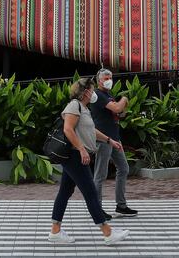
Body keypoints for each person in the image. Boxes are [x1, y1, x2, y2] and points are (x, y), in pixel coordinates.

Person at [49, 77, 130, 245]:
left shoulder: (84, 108)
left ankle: (55, 231)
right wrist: (81, 149)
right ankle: (107, 233)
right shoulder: (74, 105)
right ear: (85, 91)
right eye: (92, 90)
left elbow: (91, 130)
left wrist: (109, 141)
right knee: (91, 193)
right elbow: (68, 129)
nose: (94, 93)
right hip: (74, 156)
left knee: (65, 192)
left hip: (76, 155)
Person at [90, 68, 138, 219]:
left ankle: (121, 206)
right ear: (99, 81)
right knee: (100, 175)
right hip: (103, 139)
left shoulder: (107, 95)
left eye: (110, 77)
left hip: (115, 138)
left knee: (123, 168)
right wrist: (124, 99)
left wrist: (121, 108)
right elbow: (118, 107)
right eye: (105, 78)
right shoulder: (98, 95)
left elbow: (119, 113)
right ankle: (97, 209)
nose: (109, 80)